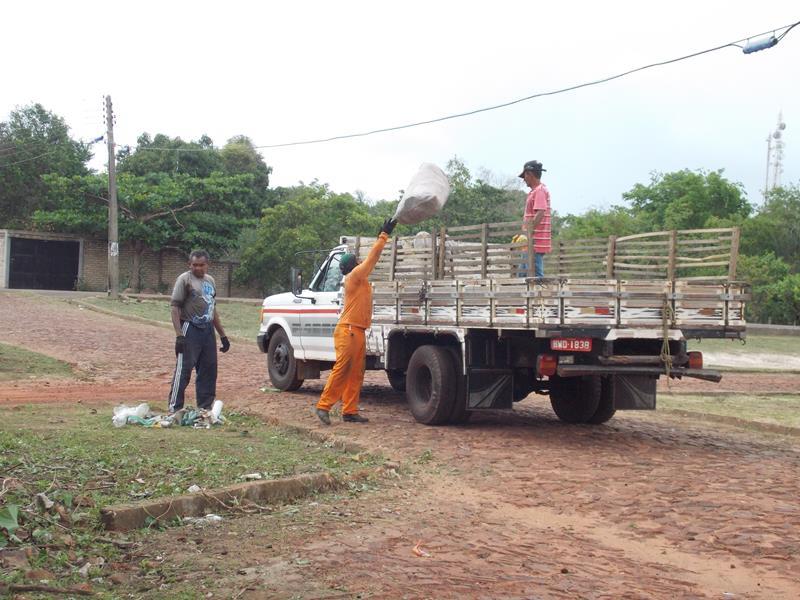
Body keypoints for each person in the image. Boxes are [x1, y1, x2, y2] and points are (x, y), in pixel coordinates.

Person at [315, 218, 397, 425]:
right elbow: (373, 257)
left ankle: (349, 411)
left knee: (355, 373)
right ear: (354, 265)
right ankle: (323, 406)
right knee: (343, 369)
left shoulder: (356, 278)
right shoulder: (354, 276)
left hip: (356, 331)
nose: (362, 263)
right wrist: (383, 235)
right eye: (358, 261)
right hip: (349, 331)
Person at [168, 249, 230, 413]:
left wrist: (223, 336)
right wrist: (179, 335)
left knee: (209, 370)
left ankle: (205, 408)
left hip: (208, 330)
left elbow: (212, 309)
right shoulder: (184, 279)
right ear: (190, 264)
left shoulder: (210, 281)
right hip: (190, 328)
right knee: (184, 370)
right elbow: (175, 308)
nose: (198, 268)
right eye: (194, 265)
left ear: (207, 265)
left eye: (201, 265)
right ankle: (175, 407)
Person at [519, 160, 552, 278]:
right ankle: (528, 296)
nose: (524, 179)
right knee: (523, 274)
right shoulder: (536, 191)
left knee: (535, 275)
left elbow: (541, 212)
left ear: (530, 174)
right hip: (531, 242)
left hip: (534, 242)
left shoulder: (539, 191)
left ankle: (540, 296)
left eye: (525, 176)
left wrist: (529, 232)